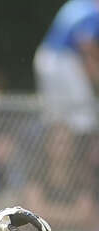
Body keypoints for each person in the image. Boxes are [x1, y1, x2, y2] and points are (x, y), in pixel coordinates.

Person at [34, 0, 99, 133]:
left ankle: (56, 151)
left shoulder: (76, 4)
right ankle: (84, 152)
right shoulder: (92, 13)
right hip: (64, 60)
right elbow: (86, 45)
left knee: (57, 117)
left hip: (44, 57)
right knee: (84, 115)